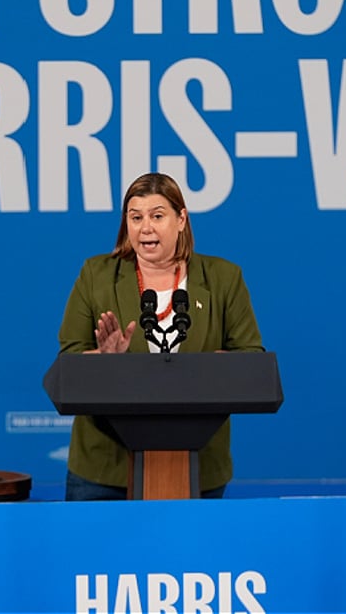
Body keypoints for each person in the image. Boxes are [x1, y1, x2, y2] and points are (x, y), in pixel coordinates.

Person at [57, 172, 264, 500]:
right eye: (135, 217)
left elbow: (251, 360)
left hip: (198, 462)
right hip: (105, 463)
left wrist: (210, 368)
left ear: (181, 219)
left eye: (157, 216)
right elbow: (68, 361)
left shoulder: (224, 279)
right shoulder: (96, 275)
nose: (145, 228)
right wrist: (104, 360)